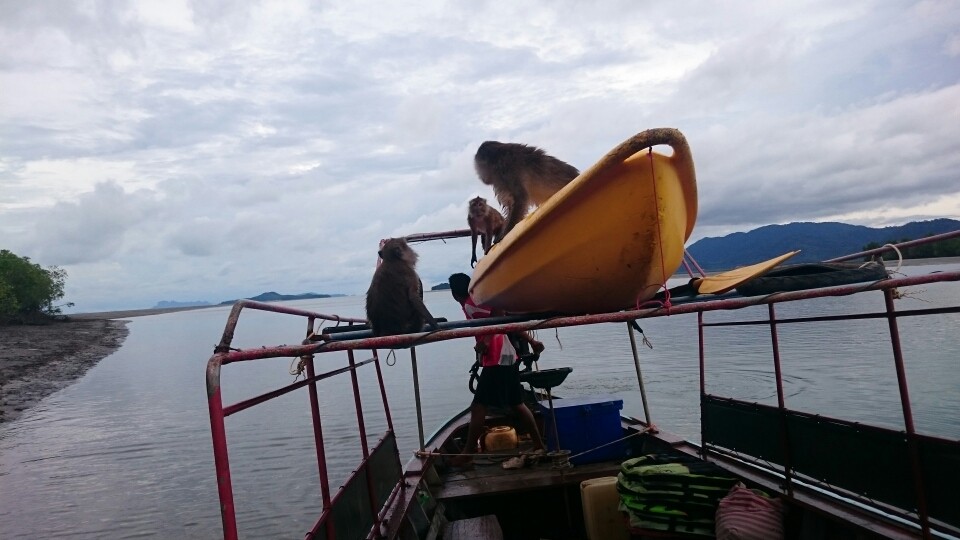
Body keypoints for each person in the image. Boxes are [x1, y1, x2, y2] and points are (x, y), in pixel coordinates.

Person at [447, 273, 546, 466]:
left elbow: (499, 315)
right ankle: (538, 444)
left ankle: (468, 453)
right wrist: (532, 341)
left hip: (497, 357)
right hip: (505, 355)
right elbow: (505, 320)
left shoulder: (471, 302)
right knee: (517, 402)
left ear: (453, 293)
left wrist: (484, 340)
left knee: (478, 406)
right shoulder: (476, 300)